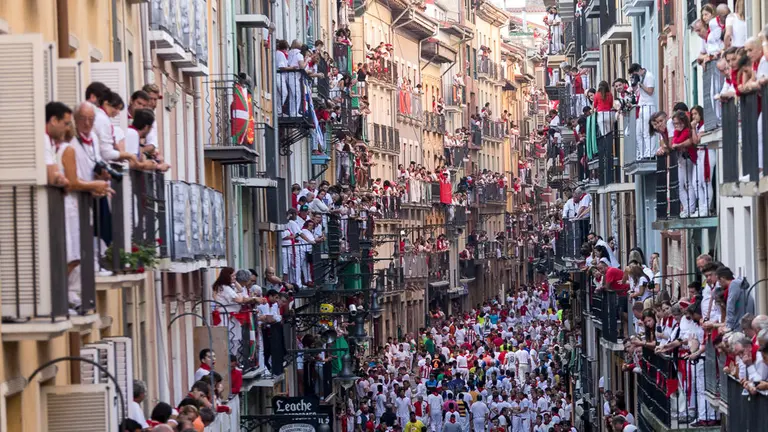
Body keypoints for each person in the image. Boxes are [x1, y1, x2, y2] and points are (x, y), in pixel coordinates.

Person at [628, 63, 656, 159]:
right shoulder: (640, 77)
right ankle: (643, 153)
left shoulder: (649, 76)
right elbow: (635, 90)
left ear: (638, 70)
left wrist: (641, 84)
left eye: (634, 74)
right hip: (641, 106)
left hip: (648, 106)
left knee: (647, 131)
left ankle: (650, 153)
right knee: (639, 133)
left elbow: (650, 91)